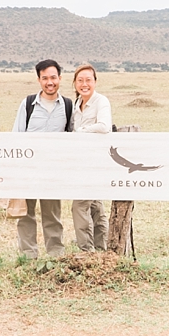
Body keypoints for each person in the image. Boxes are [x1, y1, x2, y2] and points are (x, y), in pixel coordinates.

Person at [11, 59, 73, 258]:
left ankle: (56, 254)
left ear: (60, 79)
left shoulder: (68, 106)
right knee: (25, 214)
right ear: (39, 80)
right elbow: (17, 135)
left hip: (53, 171)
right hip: (28, 169)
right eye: (45, 78)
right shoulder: (28, 104)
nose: (50, 82)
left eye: (53, 77)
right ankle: (28, 255)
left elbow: (72, 137)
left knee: (52, 214)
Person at [70, 63, 112, 252]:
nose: (84, 84)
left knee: (79, 206)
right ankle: (102, 249)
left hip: (96, 162)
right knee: (95, 205)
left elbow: (104, 126)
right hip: (80, 162)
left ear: (95, 82)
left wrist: (81, 131)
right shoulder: (76, 105)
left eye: (88, 80)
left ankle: (87, 251)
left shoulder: (100, 101)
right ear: (75, 84)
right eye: (80, 80)